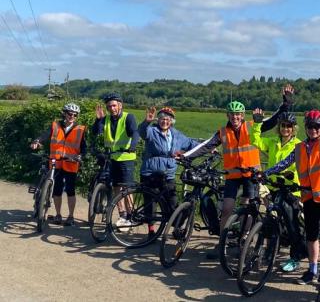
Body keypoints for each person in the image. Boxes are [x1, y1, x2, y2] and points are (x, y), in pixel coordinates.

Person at [183, 85, 295, 259]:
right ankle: (222, 244)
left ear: (242, 115)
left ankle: (243, 241)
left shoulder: (251, 126)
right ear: (227, 115)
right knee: (227, 208)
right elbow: (206, 146)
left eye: (238, 114)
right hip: (233, 175)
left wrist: (286, 104)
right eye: (232, 114)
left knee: (249, 207)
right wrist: (186, 156)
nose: (235, 117)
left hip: (251, 175)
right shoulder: (222, 132)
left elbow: (274, 120)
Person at [259, 83, 320, 285]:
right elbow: (284, 163)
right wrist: (266, 173)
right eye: (310, 126)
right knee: (312, 236)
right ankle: (312, 271)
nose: (314, 130)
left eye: (317, 127)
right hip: (308, 196)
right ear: (305, 127)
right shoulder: (299, 147)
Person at [250, 108, 306, 272]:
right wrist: (257, 124)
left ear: (294, 128)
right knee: (270, 219)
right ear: (279, 127)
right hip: (274, 187)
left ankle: (295, 257)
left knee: (291, 223)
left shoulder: (299, 145)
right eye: (283, 126)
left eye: (289, 126)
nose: (285, 129)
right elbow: (256, 141)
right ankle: (268, 250)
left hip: (291, 190)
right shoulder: (273, 141)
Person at [138, 106, 201, 237]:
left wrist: (209, 147)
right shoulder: (152, 131)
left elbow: (191, 143)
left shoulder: (176, 134)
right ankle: (151, 230)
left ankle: (176, 228)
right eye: (161, 118)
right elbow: (142, 132)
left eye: (167, 119)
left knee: (173, 204)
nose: (164, 121)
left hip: (168, 174)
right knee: (151, 203)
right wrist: (146, 122)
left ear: (172, 121)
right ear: (158, 119)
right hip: (150, 173)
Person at [30, 103, 87, 226]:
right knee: (57, 189)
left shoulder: (81, 129)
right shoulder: (55, 125)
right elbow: (45, 135)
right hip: (55, 162)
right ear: (64, 114)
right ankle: (58, 214)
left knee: (71, 191)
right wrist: (37, 141)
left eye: (75, 115)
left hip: (71, 163)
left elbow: (84, 147)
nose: (72, 116)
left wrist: (81, 156)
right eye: (69, 114)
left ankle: (71, 216)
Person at [92, 92, 140, 227]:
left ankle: (131, 215)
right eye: (109, 106)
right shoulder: (105, 119)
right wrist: (98, 120)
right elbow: (96, 132)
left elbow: (135, 132)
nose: (111, 109)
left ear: (120, 105)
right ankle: (123, 214)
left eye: (114, 105)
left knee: (127, 187)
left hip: (126, 157)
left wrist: (133, 145)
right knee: (116, 187)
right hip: (112, 157)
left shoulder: (128, 117)